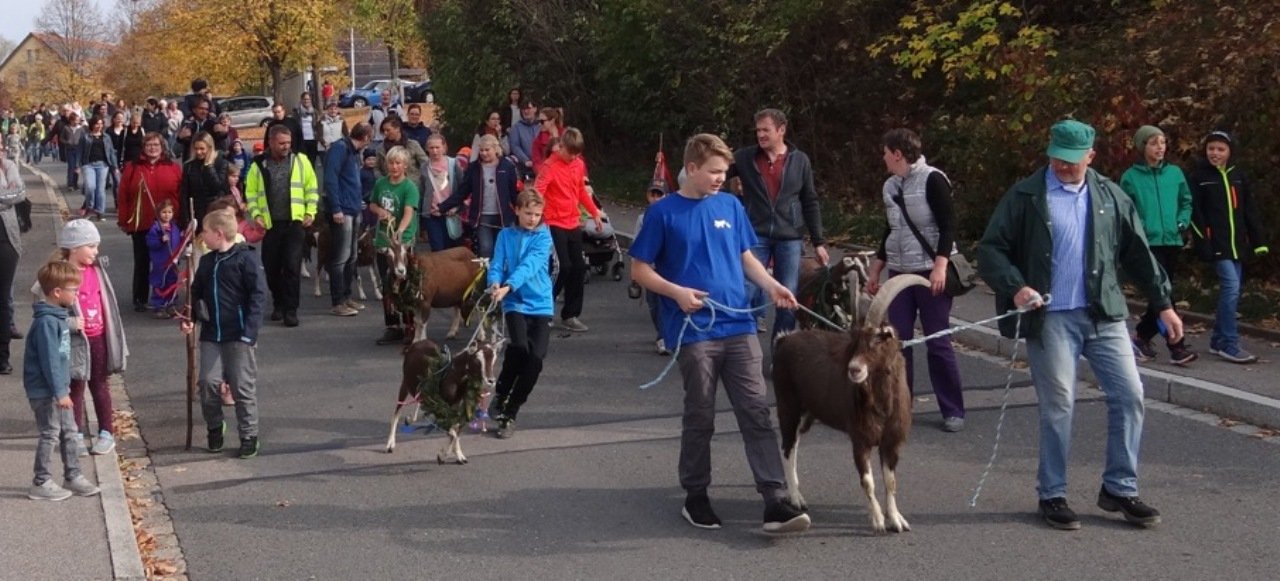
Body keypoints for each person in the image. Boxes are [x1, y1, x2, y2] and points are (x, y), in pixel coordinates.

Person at [977, 119, 1176, 531]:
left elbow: (1139, 253)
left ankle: (1120, 488)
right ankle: (1052, 493)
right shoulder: (1026, 195)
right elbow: (992, 249)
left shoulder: (1110, 195)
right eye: (1057, 159)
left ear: (1091, 156)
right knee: (1059, 404)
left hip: (1104, 314)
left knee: (1130, 395)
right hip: (1050, 319)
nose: (1063, 167)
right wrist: (1016, 287)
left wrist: (1163, 305)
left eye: (1072, 160)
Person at [630, 133, 810, 534]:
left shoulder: (730, 205)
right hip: (695, 331)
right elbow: (639, 270)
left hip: (739, 325)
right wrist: (677, 293)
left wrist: (773, 286)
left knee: (756, 410)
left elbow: (745, 256)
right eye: (713, 172)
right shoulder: (663, 213)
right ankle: (695, 495)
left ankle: (775, 500)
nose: (720, 179)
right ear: (691, 168)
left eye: (724, 172)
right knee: (701, 414)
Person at [867, 128, 966, 432]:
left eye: (886, 153)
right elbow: (891, 229)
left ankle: (953, 409)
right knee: (898, 342)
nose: (883, 158)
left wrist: (940, 266)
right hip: (900, 271)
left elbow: (948, 225)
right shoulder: (889, 185)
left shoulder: (933, 179)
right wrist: (876, 268)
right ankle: (899, 406)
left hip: (929, 271)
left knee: (938, 340)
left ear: (898, 154)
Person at [728, 108, 828, 338]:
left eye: (766, 130)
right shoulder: (744, 157)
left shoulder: (800, 160)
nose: (760, 135)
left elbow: (810, 200)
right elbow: (716, 172)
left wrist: (819, 242)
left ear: (781, 130)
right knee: (746, 289)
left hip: (790, 237)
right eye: (758, 130)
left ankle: (781, 349)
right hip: (755, 234)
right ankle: (741, 343)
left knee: (788, 294)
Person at [182, 210, 267, 459]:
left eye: (205, 232)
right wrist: (190, 318)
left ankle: (249, 435)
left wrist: (249, 333)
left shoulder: (246, 259)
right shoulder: (207, 262)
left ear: (219, 234)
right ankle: (215, 426)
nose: (202, 236)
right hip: (212, 334)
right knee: (207, 383)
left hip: (239, 335)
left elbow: (258, 296)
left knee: (242, 387)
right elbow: (196, 293)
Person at [1188, 130, 1269, 364]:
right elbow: (1195, 213)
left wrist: (1258, 241)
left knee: (1233, 290)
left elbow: (1248, 210)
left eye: (1220, 149)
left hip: (1237, 245)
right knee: (1231, 288)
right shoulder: (1199, 177)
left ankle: (1217, 339)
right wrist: (1203, 242)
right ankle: (1229, 343)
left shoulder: (1238, 176)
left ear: (1230, 152)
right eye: (1211, 148)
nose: (1215, 153)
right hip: (1217, 244)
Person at [1119, 125, 1197, 366]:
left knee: (1163, 292)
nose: (1160, 148)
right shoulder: (1130, 177)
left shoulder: (1174, 173)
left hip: (1171, 239)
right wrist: (1140, 227)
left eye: (1162, 142)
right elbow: (1126, 209)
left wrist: (1182, 222)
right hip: (1147, 243)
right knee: (1163, 292)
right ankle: (1177, 345)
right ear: (1143, 147)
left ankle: (1141, 336)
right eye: (1154, 143)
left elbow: (1186, 201)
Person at [23, 260, 101, 500]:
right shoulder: (47, 323)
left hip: (59, 388)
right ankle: (41, 481)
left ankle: (73, 475)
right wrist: (60, 392)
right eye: (73, 290)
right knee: (50, 433)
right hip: (46, 390)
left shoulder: (58, 318)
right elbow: (49, 361)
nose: (77, 294)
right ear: (57, 292)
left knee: (70, 431)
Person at [55, 219, 129, 457]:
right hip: (73, 341)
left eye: (97, 246)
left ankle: (106, 432)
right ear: (74, 248)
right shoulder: (59, 275)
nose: (96, 251)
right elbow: (46, 311)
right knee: (75, 387)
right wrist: (69, 324)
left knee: (99, 384)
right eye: (91, 246)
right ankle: (74, 434)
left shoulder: (97, 271)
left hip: (98, 337)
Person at [486, 188, 553, 438]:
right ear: (517, 210)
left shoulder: (544, 237)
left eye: (537, 214)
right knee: (519, 348)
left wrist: (508, 285)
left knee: (535, 359)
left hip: (540, 303)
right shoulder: (505, 235)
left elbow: (530, 266)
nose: (533, 219)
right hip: (514, 302)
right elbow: (497, 263)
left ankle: (511, 409)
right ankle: (502, 393)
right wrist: (495, 282)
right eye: (528, 213)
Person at [245, 124, 319, 328]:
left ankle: (290, 309)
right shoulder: (258, 164)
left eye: (289, 143)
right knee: (271, 267)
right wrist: (256, 214)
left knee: (292, 266)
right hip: (271, 225)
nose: (286, 147)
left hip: (294, 223)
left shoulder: (301, 161)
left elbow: (311, 188)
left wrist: (310, 212)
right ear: (271, 142)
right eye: (282, 143)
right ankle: (278, 302)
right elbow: (251, 193)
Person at [533, 128, 602, 332]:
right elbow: (538, 192)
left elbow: (580, 190)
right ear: (561, 147)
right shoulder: (549, 166)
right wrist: (535, 217)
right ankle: (544, 309)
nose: (573, 157)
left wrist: (594, 212)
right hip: (553, 222)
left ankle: (570, 315)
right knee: (562, 267)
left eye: (576, 154)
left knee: (578, 268)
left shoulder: (578, 164)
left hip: (572, 222)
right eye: (570, 153)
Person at [118, 132, 183, 312]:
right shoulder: (132, 168)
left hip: (169, 223)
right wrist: (124, 220)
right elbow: (123, 195)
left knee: (168, 262)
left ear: (162, 147)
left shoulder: (173, 167)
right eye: (148, 145)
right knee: (142, 262)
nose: (152, 148)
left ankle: (168, 297)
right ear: (143, 147)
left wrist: (181, 220)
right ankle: (140, 298)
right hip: (142, 222)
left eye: (156, 145)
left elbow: (181, 194)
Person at [370, 146, 420, 346]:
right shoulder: (381, 184)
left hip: (403, 241)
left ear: (405, 165)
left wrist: (400, 230)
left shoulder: (410, 187)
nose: (394, 166)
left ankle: (410, 325)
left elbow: (409, 212)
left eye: (398, 163)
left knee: (405, 283)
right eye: (391, 163)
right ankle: (392, 326)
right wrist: (380, 211)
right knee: (387, 283)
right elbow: (372, 203)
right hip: (384, 240)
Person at [439, 134, 518, 258]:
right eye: (481, 150)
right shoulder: (473, 168)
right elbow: (462, 192)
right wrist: (442, 207)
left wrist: (520, 210)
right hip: (482, 216)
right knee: (486, 249)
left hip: (504, 216)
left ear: (495, 149)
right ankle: (486, 271)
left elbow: (513, 192)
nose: (484, 153)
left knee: (504, 249)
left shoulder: (507, 166)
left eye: (487, 150)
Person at [323, 122, 373, 317]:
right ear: (366, 137)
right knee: (341, 257)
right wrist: (336, 208)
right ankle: (338, 301)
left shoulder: (352, 152)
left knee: (352, 255)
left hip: (353, 207)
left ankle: (346, 296)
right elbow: (330, 179)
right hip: (342, 210)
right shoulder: (340, 149)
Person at [632, 179, 669, 355]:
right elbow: (636, 245)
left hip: (668, 267)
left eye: (659, 194)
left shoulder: (671, 215)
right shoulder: (643, 218)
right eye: (652, 194)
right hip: (649, 268)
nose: (655, 198)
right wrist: (635, 275)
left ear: (666, 196)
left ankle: (664, 337)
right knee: (653, 304)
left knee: (666, 303)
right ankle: (661, 333)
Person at [0, 144, 25, 374]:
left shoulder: (8, 166)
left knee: (3, 299)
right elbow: (10, 196)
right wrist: (5, 195)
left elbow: (20, 194)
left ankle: (2, 357)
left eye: (0, 146)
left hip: (6, 240)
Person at [419, 133, 464, 251]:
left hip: (451, 213)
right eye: (431, 148)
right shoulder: (424, 167)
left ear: (444, 147)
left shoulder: (454, 164)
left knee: (452, 249)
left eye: (437, 147)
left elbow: (462, 188)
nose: (434, 151)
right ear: (427, 149)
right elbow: (422, 191)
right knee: (437, 248)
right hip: (432, 213)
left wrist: (457, 207)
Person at [179, 132, 230, 234]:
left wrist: (209, 167)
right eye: (196, 148)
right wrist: (186, 220)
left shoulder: (221, 163)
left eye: (202, 149)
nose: (198, 152)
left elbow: (218, 187)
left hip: (216, 212)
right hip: (197, 213)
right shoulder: (189, 166)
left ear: (210, 148)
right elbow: (184, 194)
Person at [146, 199, 183, 317]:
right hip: (161, 262)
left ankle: (171, 303)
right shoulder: (155, 228)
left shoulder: (174, 227)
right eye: (164, 212)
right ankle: (159, 305)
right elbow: (150, 243)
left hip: (173, 260)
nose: (167, 215)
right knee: (160, 282)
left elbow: (178, 241)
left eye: (169, 212)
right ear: (158, 213)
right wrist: (160, 240)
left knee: (172, 282)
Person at [77, 116, 118, 221]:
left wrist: (115, 166)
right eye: (97, 124)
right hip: (88, 164)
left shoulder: (106, 137)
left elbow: (111, 152)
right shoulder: (85, 137)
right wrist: (78, 166)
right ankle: (90, 208)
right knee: (90, 187)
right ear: (92, 125)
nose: (99, 126)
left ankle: (100, 211)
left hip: (102, 165)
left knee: (100, 189)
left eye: (101, 124)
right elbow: (79, 151)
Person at [508, 101, 540, 179]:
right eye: (523, 109)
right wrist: (525, 160)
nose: (526, 111)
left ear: (535, 109)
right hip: (525, 168)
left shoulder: (541, 126)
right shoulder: (516, 127)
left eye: (528, 108)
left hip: (542, 166)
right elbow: (515, 146)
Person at [294, 92, 319, 161]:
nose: (306, 101)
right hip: (302, 140)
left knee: (312, 161)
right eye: (304, 99)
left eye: (308, 99)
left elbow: (318, 125)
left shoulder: (314, 112)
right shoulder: (297, 112)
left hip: (313, 139)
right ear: (301, 100)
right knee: (303, 161)